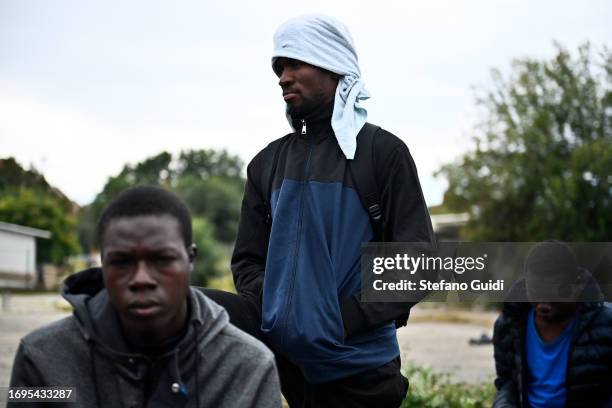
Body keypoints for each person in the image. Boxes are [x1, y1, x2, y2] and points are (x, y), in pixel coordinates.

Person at [203, 14, 435, 408]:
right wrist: (284, 314)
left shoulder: (382, 153)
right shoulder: (265, 164)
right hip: (292, 367)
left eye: (294, 63)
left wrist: (335, 319)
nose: (282, 76)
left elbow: (416, 262)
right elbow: (247, 262)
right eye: (278, 67)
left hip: (362, 370)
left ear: (333, 67)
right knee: (186, 309)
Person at [9, 186, 281, 408]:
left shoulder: (248, 369)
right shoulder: (43, 358)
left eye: (162, 259)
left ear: (190, 260)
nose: (141, 279)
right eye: (122, 262)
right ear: (103, 265)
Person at [492, 241, 612, 408]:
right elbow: (508, 382)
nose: (543, 304)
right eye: (536, 294)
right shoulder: (509, 325)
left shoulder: (606, 324)